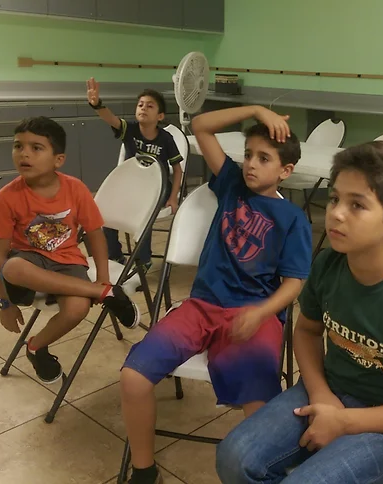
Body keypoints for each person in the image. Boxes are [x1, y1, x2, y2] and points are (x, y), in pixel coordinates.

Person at [216, 141, 383, 484]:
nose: (336, 213)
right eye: (335, 199)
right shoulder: (329, 264)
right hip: (329, 391)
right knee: (233, 458)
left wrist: (346, 422)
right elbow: (307, 331)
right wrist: (322, 395)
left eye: (357, 205)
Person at [119, 105, 313, 484]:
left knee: (259, 405)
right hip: (201, 307)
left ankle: (261, 471)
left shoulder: (293, 220)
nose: (251, 164)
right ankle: (144, 471)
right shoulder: (232, 185)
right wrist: (257, 110)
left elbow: (294, 283)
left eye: (264, 158)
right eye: (248, 155)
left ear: (285, 171)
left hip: (253, 315)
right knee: (133, 377)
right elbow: (201, 126)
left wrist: (262, 312)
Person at [0, 116, 139, 384]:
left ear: (58, 160)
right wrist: (5, 304)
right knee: (12, 266)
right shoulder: (7, 196)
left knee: (77, 309)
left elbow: (95, 234)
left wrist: (103, 276)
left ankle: (36, 347)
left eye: (36, 148)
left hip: (68, 262)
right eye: (18, 146)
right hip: (29, 265)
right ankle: (104, 294)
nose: (24, 154)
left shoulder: (75, 189)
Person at [86, 78, 184, 267]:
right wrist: (96, 104)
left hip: (158, 189)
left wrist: (173, 197)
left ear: (160, 116)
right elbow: (110, 118)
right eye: (140, 105)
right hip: (132, 187)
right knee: (106, 212)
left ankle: (143, 260)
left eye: (150, 106)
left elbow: (178, 170)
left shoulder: (166, 139)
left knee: (142, 215)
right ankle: (115, 255)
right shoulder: (129, 130)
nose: (143, 108)